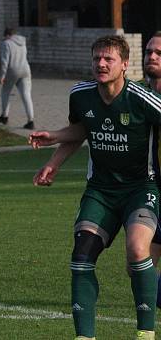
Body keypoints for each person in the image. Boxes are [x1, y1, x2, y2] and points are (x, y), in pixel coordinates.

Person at [30, 35, 161, 340]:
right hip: (100, 191)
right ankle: (84, 337)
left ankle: (145, 334)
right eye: (96, 59)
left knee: (137, 250)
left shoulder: (143, 98)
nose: (100, 64)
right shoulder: (81, 94)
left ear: (125, 65)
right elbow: (82, 129)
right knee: (81, 255)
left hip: (141, 188)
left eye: (108, 59)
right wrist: (55, 151)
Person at [0, 28, 34, 129]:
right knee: (26, 95)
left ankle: (4, 116)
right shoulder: (22, 41)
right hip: (25, 69)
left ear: (7, 35)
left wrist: (3, 76)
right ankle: (31, 121)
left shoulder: (6, 43)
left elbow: (5, 61)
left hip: (13, 70)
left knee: (5, 92)